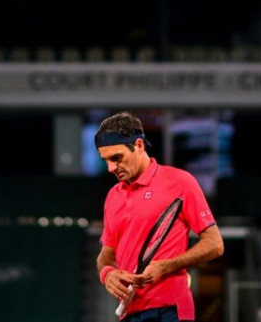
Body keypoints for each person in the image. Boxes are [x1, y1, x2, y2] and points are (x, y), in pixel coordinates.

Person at [95, 111, 224, 322]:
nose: (111, 168)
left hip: (170, 310)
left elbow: (215, 244)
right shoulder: (112, 197)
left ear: (138, 145)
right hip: (128, 313)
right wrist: (107, 273)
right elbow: (105, 256)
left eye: (116, 158)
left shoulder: (180, 182)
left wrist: (165, 266)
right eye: (106, 160)